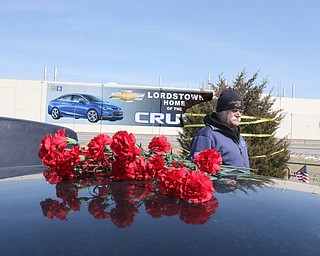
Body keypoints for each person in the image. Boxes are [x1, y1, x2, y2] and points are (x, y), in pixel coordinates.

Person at [190, 89, 250, 169]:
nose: (238, 114)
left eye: (240, 111)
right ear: (221, 112)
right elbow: (198, 171)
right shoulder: (206, 136)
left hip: (243, 182)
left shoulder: (239, 138)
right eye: (234, 110)